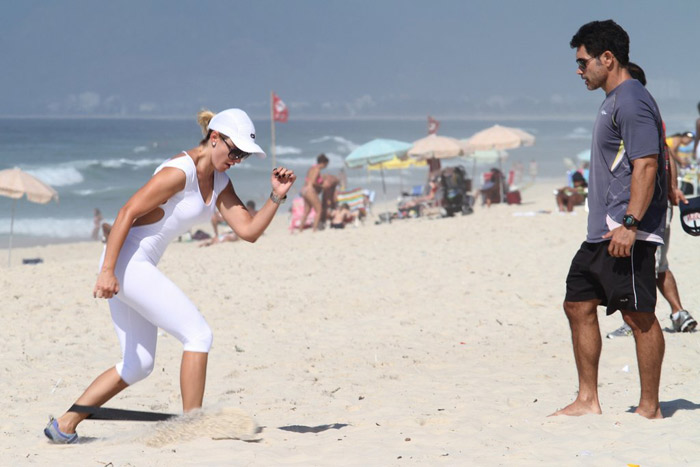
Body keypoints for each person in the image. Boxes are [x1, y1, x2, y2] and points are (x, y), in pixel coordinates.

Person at [43, 108, 296, 444]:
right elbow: (127, 212)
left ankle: (64, 425)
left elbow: (248, 230)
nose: (237, 159)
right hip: (126, 262)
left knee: (138, 364)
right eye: (234, 151)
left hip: (133, 264)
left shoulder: (220, 181)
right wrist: (107, 272)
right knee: (198, 335)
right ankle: (192, 424)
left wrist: (276, 196)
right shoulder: (180, 172)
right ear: (215, 138)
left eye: (243, 156)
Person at [553, 20, 668, 420]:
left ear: (608, 57)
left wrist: (632, 223)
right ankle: (588, 399)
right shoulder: (613, 98)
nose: (579, 69)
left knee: (640, 317)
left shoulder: (631, 99)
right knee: (577, 303)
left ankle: (650, 407)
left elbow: (647, 164)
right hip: (601, 231)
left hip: (625, 230)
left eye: (583, 62)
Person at [606, 62, 697, 337]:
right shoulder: (646, 111)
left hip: (647, 204)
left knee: (649, 262)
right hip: (652, 202)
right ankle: (677, 313)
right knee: (657, 263)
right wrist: (672, 187)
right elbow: (665, 153)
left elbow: (653, 159)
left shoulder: (636, 111)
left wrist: (669, 190)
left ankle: (642, 319)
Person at [298, 154, 329, 232]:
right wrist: (322, 186)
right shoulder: (317, 169)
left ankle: (300, 230)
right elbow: (313, 182)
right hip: (310, 190)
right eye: (326, 164)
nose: (326, 166)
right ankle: (314, 230)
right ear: (323, 163)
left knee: (306, 211)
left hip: (304, 190)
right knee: (319, 210)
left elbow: (308, 180)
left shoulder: (311, 168)